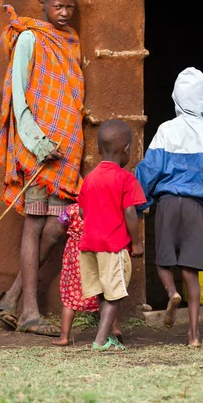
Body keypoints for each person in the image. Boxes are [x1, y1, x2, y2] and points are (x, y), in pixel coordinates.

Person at [0, 0, 84, 336]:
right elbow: (19, 96)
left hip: (66, 151)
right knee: (33, 224)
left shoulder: (71, 40)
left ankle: (12, 295)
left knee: (56, 227)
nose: (64, 12)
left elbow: (70, 90)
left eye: (69, 6)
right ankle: (29, 311)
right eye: (57, 5)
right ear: (42, 3)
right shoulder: (29, 38)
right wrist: (38, 142)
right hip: (35, 151)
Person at [136, 68, 203, 347]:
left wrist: (140, 204)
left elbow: (148, 172)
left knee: (163, 261)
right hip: (196, 207)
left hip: (168, 203)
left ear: (177, 97)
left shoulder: (165, 130)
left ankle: (171, 292)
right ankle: (194, 334)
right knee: (191, 270)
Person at [79, 120, 146, 351]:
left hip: (89, 246)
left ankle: (108, 337)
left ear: (99, 149)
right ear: (126, 149)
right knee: (115, 294)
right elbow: (130, 212)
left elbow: (80, 210)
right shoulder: (126, 179)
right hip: (112, 246)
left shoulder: (90, 178)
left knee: (103, 291)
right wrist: (136, 243)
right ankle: (99, 340)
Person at [52, 202, 122, 346]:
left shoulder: (70, 210)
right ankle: (114, 329)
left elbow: (60, 229)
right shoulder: (102, 207)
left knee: (69, 299)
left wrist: (72, 233)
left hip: (75, 254)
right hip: (95, 251)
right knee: (105, 295)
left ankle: (64, 337)